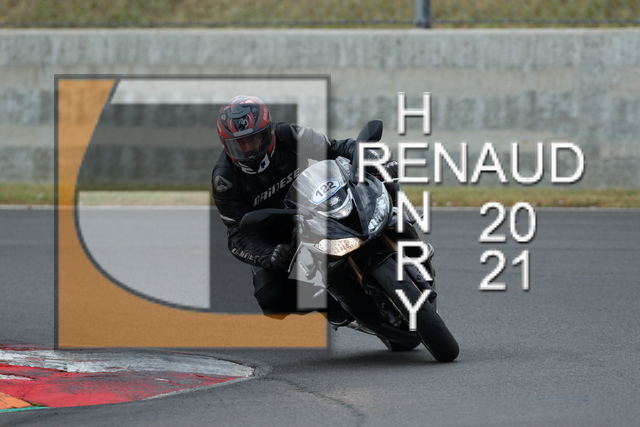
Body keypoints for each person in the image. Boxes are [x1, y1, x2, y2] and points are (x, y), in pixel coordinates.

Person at [211, 95, 394, 326]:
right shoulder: (225, 180)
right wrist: (269, 254)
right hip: (276, 235)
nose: (249, 149)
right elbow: (237, 234)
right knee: (272, 300)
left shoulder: (290, 135)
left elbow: (335, 148)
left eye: (254, 139)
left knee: (385, 180)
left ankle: (402, 230)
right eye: (239, 144)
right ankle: (332, 305)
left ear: (268, 132)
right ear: (225, 144)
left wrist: (373, 160)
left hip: (318, 207)